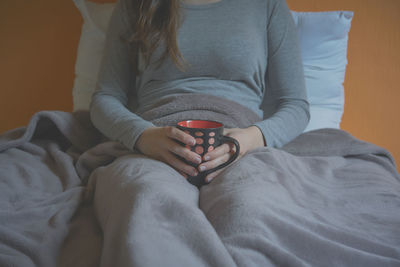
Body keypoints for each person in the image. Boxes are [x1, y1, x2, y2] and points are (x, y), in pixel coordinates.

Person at [89, 0, 310, 265]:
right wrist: (142, 136)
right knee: (146, 200)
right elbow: (105, 98)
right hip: (155, 144)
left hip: (241, 148)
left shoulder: (267, 5)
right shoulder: (135, 6)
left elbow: (296, 105)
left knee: (251, 211)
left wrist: (250, 139)